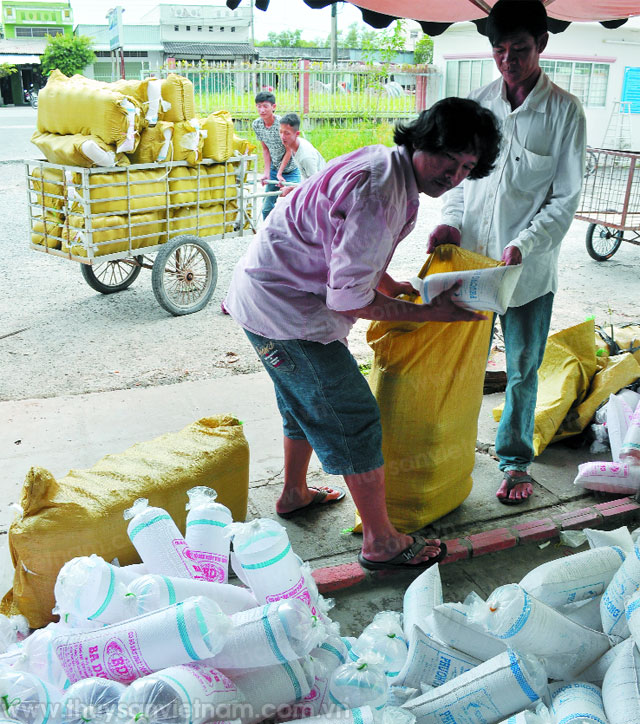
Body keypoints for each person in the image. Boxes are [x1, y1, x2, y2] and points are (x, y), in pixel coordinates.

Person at [224, 97, 501, 570]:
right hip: (287, 316)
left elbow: (351, 253)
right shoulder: (382, 192)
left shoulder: (385, 165)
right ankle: (380, 541)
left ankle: (294, 493)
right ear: (423, 139)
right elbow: (349, 299)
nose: (453, 176)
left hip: (265, 298)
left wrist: (397, 288)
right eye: (447, 158)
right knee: (351, 415)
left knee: (302, 401)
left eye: (466, 168)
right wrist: (432, 314)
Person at [428, 0, 586, 505]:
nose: (508, 60)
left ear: (540, 45)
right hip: (473, 264)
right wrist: (450, 221)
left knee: (522, 367)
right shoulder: (478, 104)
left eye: (519, 48)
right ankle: (446, 452)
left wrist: (525, 244)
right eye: (499, 50)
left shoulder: (564, 112)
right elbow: (457, 176)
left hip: (528, 271)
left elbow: (566, 198)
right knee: (458, 362)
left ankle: (515, 461)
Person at [252, 91, 301, 219]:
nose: (262, 110)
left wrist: (280, 173)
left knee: (295, 205)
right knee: (266, 208)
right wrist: (267, 173)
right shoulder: (257, 124)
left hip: (291, 170)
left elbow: (289, 149)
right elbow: (265, 149)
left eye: (265, 106)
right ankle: (267, 235)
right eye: (259, 106)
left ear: (273, 107)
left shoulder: (281, 124)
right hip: (274, 169)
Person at [278, 113, 326, 198]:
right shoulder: (293, 144)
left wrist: (292, 190)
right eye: (281, 132)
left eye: (287, 133)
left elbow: (315, 184)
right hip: (310, 187)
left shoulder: (306, 156)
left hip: (321, 192)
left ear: (297, 134)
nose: (282, 137)